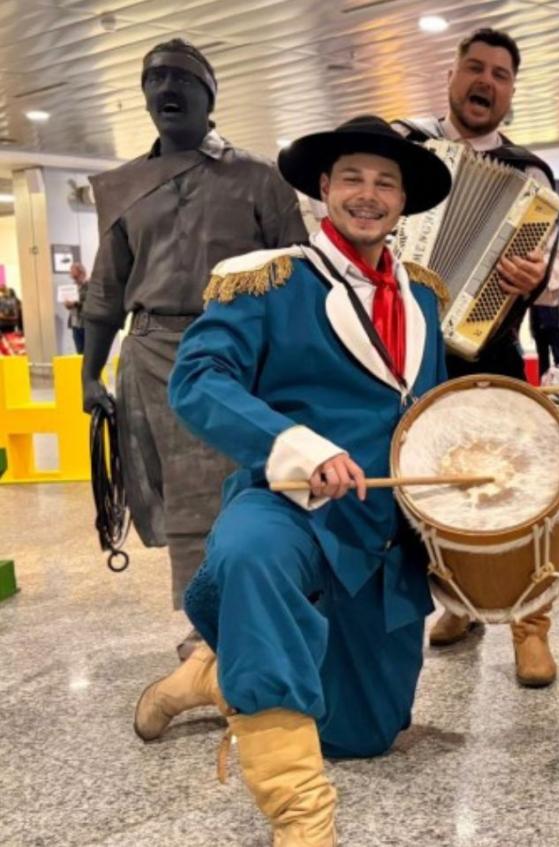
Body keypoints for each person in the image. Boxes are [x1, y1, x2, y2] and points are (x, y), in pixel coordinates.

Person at [133, 115, 453, 845]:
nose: (368, 195)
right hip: (288, 503)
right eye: (353, 179)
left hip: (381, 529)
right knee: (251, 555)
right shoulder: (266, 278)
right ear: (323, 188)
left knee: (366, 734)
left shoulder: (426, 296)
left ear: (403, 201)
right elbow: (198, 380)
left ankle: (210, 678)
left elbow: (430, 409)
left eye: (385, 183)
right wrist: (294, 445)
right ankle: (301, 815)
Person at [79, 40, 308, 645]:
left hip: (236, 352)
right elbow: (106, 289)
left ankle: (249, 613)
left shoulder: (259, 178)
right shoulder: (125, 186)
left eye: (181, 78)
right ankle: (205, 626)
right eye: (154, 79)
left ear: (210, 95)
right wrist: (89, 373)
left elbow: (297, 276)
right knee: (180, 498)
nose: (166, 89)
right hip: (151, 352)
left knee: (243, 485)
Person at [396, 28, 559, 687]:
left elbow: (546, 274)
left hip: (488, 344)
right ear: (451, 76)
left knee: (518, 482)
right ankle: (458, 603)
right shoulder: (408, 151)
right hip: (405, 348)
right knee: (429, 481)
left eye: (500, 74)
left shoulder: (530, 174)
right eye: (475, 67)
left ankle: (531, 624)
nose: (485, 82)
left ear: (511, 92)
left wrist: (531, 276)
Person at [64, 262, 89, 353]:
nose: (74, 279)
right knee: (79, 352)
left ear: (82, 274)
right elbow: (70, 306)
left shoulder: (89, 286)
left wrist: (76, 303)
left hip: (86, 324)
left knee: (88, 352)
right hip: (75, 324)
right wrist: (67, 304)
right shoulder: (73, 287)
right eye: (72, 277)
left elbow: (91, 304)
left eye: (76, 277)